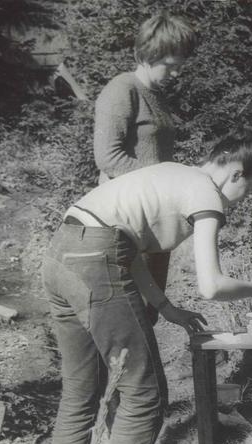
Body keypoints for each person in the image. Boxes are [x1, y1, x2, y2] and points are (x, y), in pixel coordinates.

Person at [43, 127, 252, 444]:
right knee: (144, 397)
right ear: (236, 173)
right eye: (247, 190)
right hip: (95, 260)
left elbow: (128, 247)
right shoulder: (206, 192)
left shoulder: (173, 174)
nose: (241, 199)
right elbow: (211, 286)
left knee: (80, 394)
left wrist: (166, 307)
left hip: (60, 255)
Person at [94, 12, 196, 314]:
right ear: (150, 53)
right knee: (127, 315)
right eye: (170, 65)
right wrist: (165, 180)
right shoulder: (121, 90)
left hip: (153, 221)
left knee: (149, 312)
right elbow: (108, 158)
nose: (176, 73)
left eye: (180, 66)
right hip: (125, 223)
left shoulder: (156, 95)